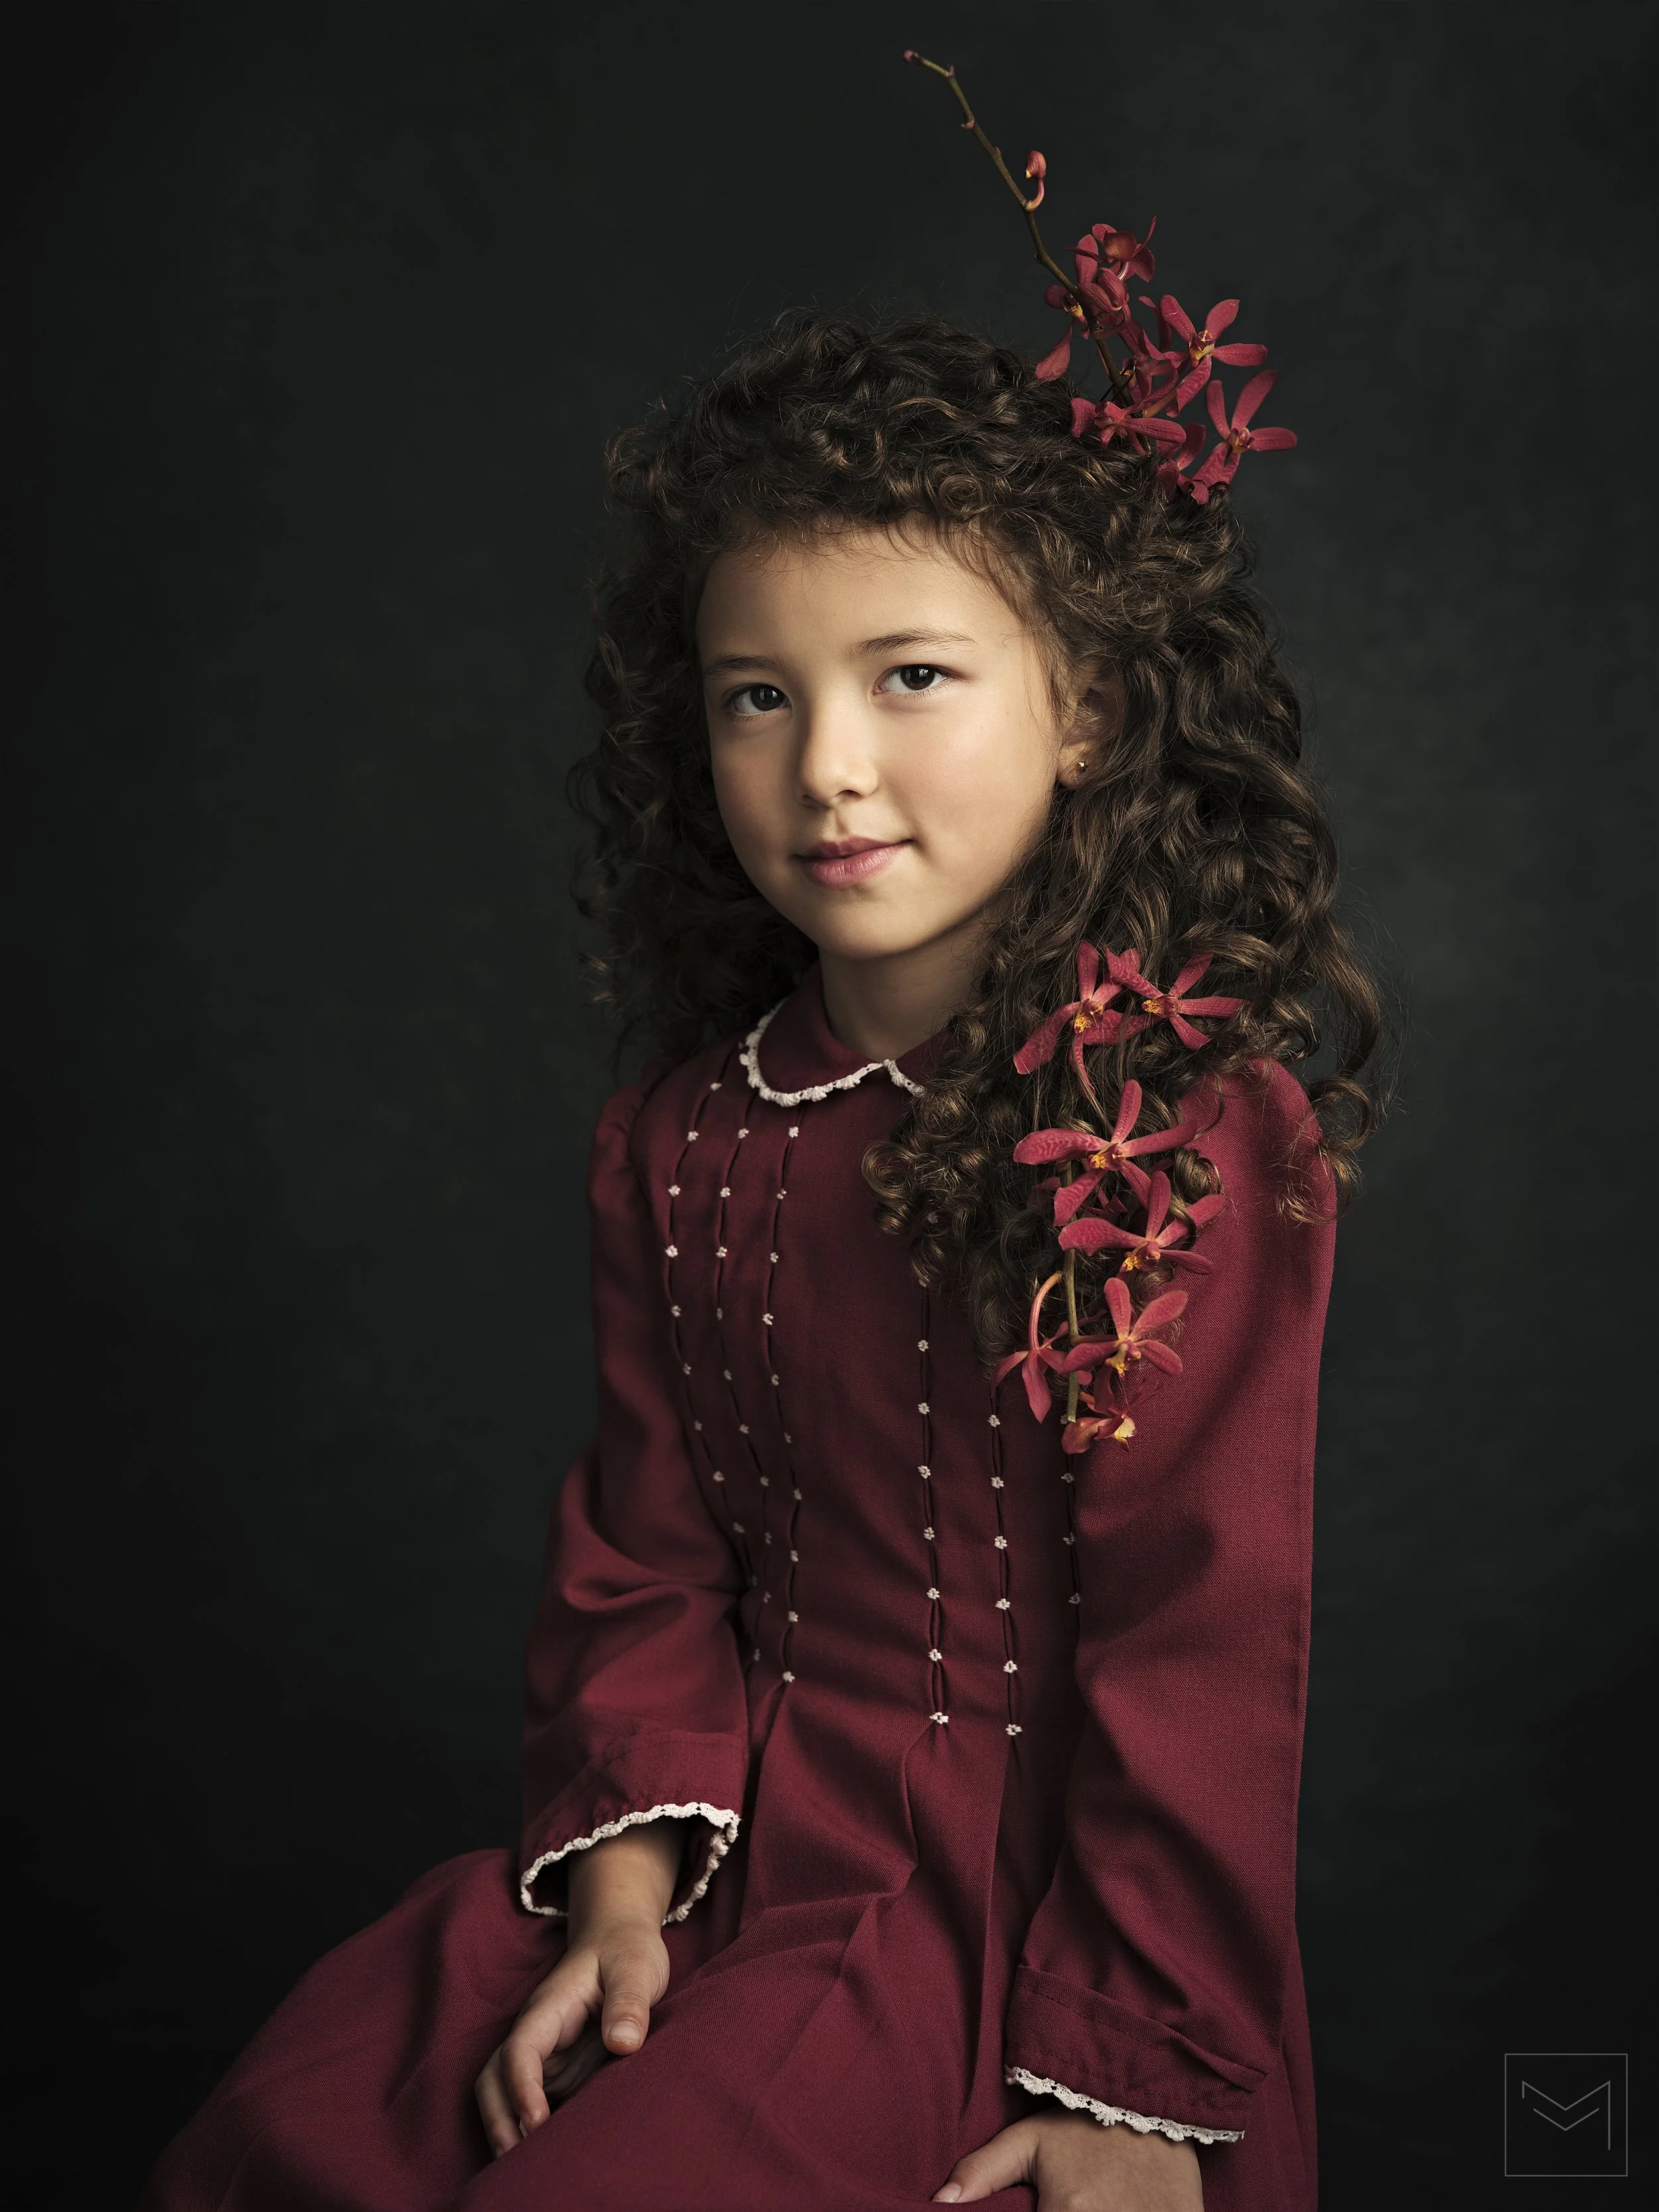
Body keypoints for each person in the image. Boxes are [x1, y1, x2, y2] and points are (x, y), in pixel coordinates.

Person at [142, 297, 1383, 2211]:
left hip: (1010, 1917)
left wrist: (1133, 2081)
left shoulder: (1186, 1136)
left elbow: (1203, 1634)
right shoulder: (685, 1131)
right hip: (725, 1857)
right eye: (756, 693)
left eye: (906, 675)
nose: (825, 765)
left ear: (1084, 705)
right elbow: (648, 1551)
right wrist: (622, 1897)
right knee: (302, 2127)